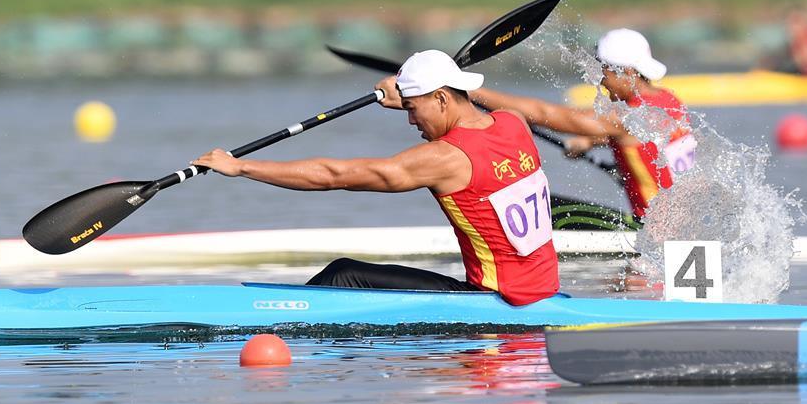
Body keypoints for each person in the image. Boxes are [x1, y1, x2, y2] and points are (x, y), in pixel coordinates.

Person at [194, 50, 560, 306]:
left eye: (414, 109)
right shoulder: (514, 123)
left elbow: (332, 175)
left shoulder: (446, 158)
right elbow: (464, 114)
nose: (411, 120)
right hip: (543, 289)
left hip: (496, 301)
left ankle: (270, 326)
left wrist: (242, 167)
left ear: (442, 98)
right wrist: (409, 93)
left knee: (344, 275)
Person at [470, 28, 693, 220]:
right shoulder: (667, 100)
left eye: (602, 72)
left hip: (656, 233)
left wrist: (472, 91)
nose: (600, 80)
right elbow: (648, 140)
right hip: (685, 223)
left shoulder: (623, 117)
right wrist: (593, 141)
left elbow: (543, 113)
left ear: (626, 71)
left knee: (549, 210)